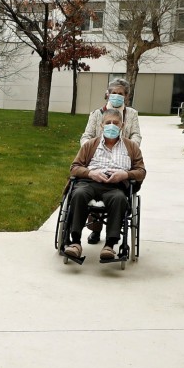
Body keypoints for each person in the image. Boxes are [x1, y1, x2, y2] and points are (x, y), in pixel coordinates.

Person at [62, 108, 146, 263]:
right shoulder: (90, 145)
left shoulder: (131, 147)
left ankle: (109, 245)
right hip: (89, 183)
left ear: (122, 126)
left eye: (116, 123)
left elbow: (141, 171)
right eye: (108, 123)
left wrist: (125, 175)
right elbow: (74, 167)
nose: (111, 126)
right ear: (101, 125)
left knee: (119, 199)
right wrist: (90, 173)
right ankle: (75, 242)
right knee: (78, 194)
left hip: (115, 186)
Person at [80, 79, 143, 146]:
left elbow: (136, 135)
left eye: (120, 94)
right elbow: (87, 136)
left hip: (124, 151)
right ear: (108, 94)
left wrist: (130, 148)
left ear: (126, 96)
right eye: (114, 93)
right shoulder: (96, 114)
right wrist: (90, 148)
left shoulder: (132, 113)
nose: (116, 96)